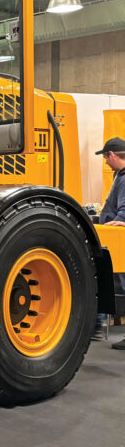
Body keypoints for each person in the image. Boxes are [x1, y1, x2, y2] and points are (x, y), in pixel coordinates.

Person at [95, 137, 125, 349]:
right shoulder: (119, 176)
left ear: (112, 155)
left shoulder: (124, 177)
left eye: (106, 157)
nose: (105, 162)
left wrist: (121, 220)